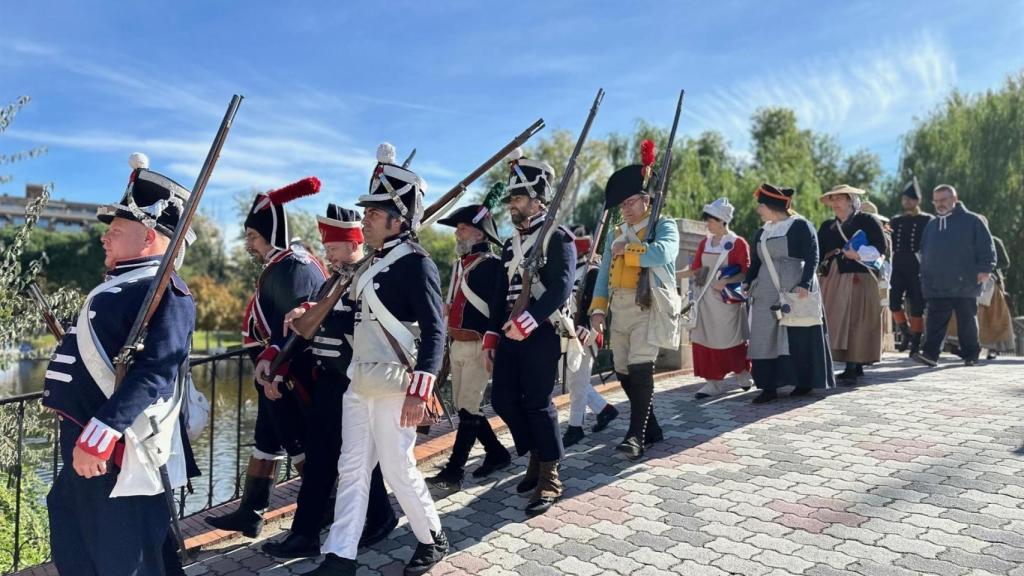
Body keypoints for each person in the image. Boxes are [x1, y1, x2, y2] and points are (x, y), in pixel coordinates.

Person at [43, 155, 196, 575]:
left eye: (115, 231)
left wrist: (102, 432)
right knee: (76, 537)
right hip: (88, 436)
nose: (104, 239)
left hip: (114, 445)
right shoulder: (123, 285)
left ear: (148, 238)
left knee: (122, 555)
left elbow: (157, 371)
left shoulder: (165, 291)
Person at [312, 144, 447, 576]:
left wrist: (420, 391)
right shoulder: (372, 264)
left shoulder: (417, 264)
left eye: (373, 212)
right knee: (351, 468)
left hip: (395, 385)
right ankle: (340, 556)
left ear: (398, 219)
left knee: (396, 467)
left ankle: (432, 537)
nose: (365, 218)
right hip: (361, 382)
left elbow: (435, 330)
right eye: (367, 211)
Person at [260, 204, 397, 559]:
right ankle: (333, 526)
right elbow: (311, 325)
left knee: (346, 458)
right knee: (332, 458)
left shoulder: (370, 277)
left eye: (333, 247)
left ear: (354, 244)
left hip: (356, 381)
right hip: (328, 384)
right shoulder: (331, 281)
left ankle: (323, 529)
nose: (327, 254)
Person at [205, 177, 326, 537]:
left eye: (253, 237)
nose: (248, 244)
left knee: (298, 442)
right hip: (271, 372)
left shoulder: (294, 265)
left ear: (271, 233)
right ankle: (251, 512)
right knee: (266, 441)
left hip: (287, 374)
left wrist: (275, 367)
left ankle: (326, 508)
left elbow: (297, 323)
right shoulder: (281, 264)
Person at [483, 147, 576, 516]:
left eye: (519, 197)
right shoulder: (510, 244)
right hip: (510, 331)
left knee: (538, 404)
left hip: (542, 330)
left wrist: (530, 320)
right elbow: (498, 295)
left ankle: (550, 475)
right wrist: (493, 334)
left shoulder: (559, 237)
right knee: (503, 400)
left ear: (538, 201)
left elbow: (561, 287)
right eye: (512, 198)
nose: (512, 205)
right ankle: (536, 453)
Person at [589, 151, 679, 460]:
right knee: (623, 370)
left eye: (630, 203)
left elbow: (662, 254)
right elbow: (603, 275)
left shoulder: (664, 226)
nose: (625, 209)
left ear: (646, 200)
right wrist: (598, 309)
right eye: (622, 204)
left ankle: (634, 436)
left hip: (648, 305)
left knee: (641, 369)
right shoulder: (615, 234)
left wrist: (627, 249)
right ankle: (650, 425)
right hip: (620, 308)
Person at [427, 185, 513, 491]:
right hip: (457, 343)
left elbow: (497, 310)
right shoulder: (458, 267)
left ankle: (454, 471)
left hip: (479, 344)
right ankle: (497, 453)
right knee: (468, 408)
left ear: (479, 234)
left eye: (462, 229)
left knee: (467, 408)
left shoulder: (491, 266)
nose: (457, 234)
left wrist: (493, 345)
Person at [744, 183, 835, 403]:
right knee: (763, 335)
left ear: (772, 206)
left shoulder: (800, 226)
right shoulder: (762, 232)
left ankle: (803, 382)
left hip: (795, 288)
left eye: (761, 206)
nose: (758, 211)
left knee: (798, 333)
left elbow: (813, 255)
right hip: (765, 291)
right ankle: (768, 386)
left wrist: (805, 284)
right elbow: (756, 261)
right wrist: (748, 282)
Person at [913, 184, 996, 367]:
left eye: (943, 200)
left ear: (954, 200)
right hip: (937, 283)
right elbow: (925, 252)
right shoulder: (932, 225)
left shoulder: (972, 221)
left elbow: (986, 247)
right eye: (936, 201)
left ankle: (971, 354)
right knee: (935, 321)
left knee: (966, 321)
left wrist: (985, 269)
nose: (939, 204)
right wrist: (924, 278)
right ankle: (930, 354)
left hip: (965, 280)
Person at [681, 198, 752, 399]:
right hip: (705, 300)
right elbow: (698, 270)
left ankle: (741, 373)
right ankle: (712, 383)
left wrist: (727, 280)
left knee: (732, 339)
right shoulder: (705, 242)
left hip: (726, 301)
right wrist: (674, 275)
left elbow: (746, 273)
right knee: (704, 339)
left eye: (711, 220)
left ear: (722, 221)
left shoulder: (738, 243)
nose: (707, 224)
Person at [817, 185, 887, 385]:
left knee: (857, 320)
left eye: (839, 198)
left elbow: (881, 248)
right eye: (833, 199)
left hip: (859, 276)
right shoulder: (827, 226)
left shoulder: (867, 221)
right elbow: (819, 252)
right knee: (837, 319)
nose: (835, 203)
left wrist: (858, 254)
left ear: (850, 200)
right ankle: (848, 363)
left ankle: (854, 365)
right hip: (833, 278)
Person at [562, 229, 618, 447]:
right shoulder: (570, 270)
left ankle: (575, 427)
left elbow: (597, 305)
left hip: (587, 334)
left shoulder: (593, 272)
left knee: (577, 382)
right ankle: (605, 410)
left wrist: (586, 327)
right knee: (576, 381)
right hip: (569, 332)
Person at [939, 215, 1014, 359]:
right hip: (967, 281)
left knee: (993, 317)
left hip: (990, 284)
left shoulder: (995, 241)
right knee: (965, 313)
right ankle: (961, 344)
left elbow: (1005, 262)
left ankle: (992, 349)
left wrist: (987, 266)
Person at [888, 178, 932, 356]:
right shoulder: (895, 220)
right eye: (905, 199)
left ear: (918, 200)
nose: (907, 202)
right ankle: (906, 333)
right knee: (893, 303)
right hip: (897, 265)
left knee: (917, 306)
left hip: (916, 267)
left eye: (911, 199)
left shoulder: (927, 219)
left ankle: (915, 341)